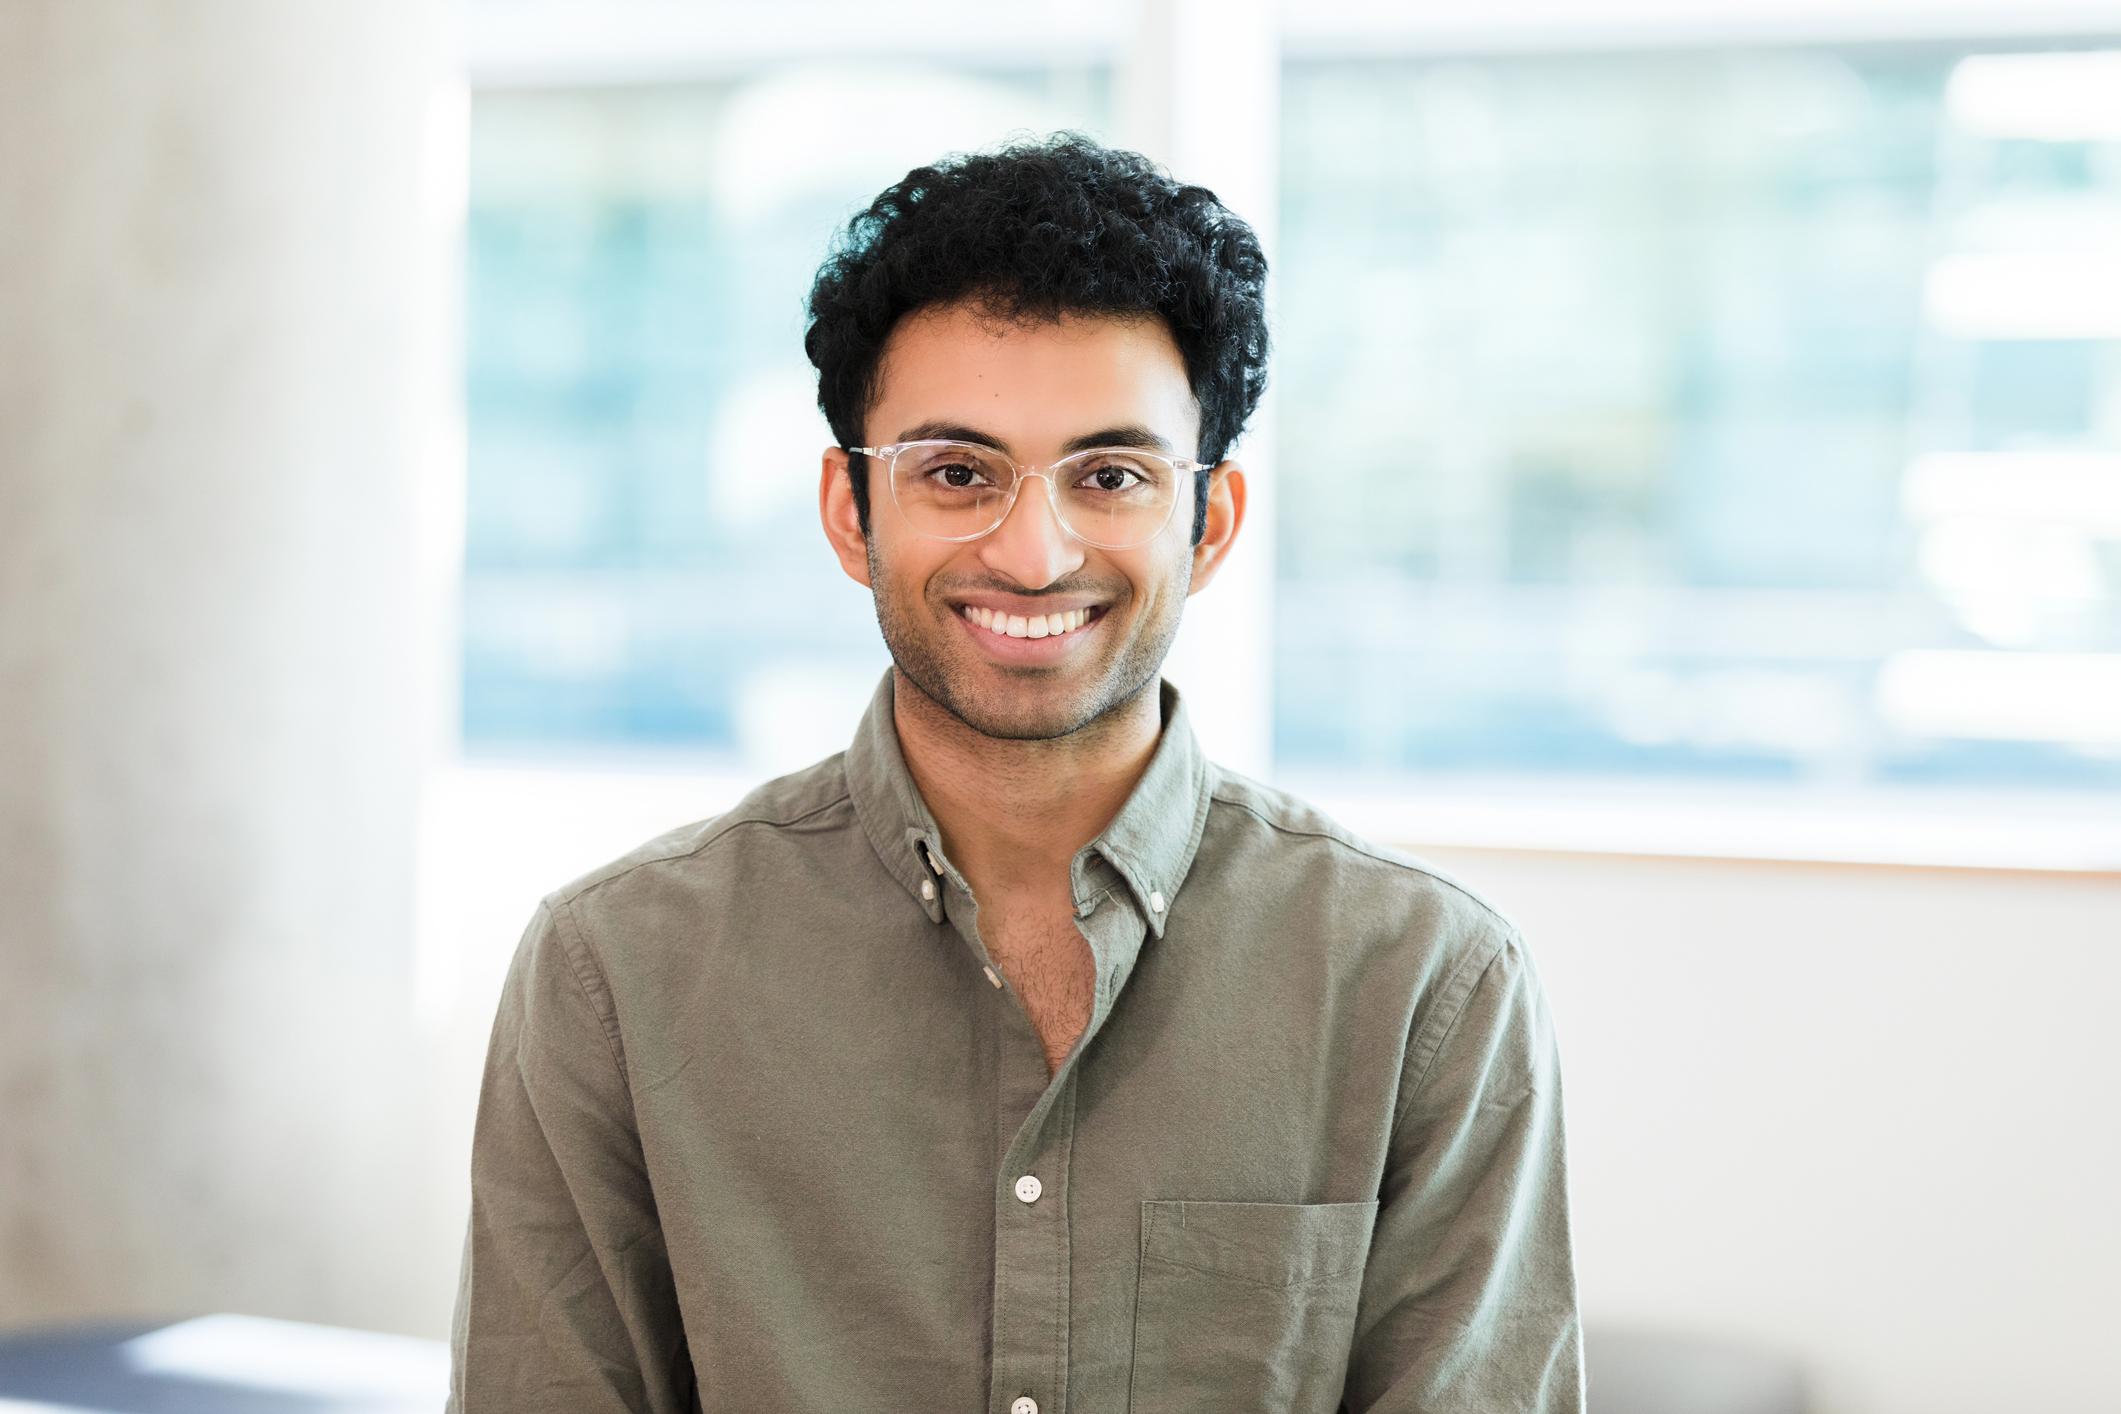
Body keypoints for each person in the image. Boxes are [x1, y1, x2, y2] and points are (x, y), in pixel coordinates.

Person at [449, 134, 1580, 1414]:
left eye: (1110, 475)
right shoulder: (615, 971)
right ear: (846, 509)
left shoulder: (1424, 982)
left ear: (1205, 522)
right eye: (957, 472)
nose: (1034, 554)